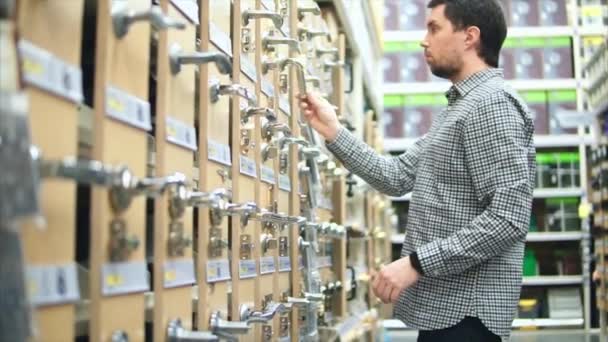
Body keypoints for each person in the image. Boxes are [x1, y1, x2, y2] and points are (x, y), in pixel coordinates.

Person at [298, 1, 535, 341]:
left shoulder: (491, 105)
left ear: (469, 37)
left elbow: (508, 218)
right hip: (448, 312)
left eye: (434, 28)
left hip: (468, 316)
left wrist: (416, 264)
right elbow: (395, 176)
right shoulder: (459, 110)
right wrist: (334, 131)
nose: (424, 40)